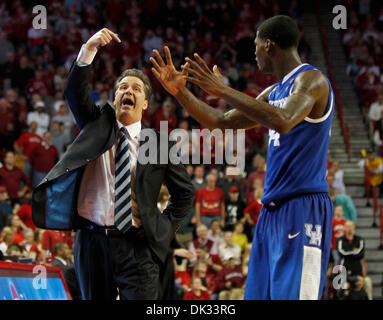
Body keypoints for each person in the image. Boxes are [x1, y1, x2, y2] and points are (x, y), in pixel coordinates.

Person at [151, 15, 334, 299]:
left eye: (257, 45)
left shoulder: (312, 79)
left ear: (269, 46)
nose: (255, 52)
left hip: (302, 207)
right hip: (271, 211)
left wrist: (223, 90)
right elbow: (220, 121)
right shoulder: (274, 91)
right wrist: (181, 92)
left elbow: (284, 120)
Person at [32, 28, 194, 300]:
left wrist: (162, 229)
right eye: (122, 87)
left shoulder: (159, 144)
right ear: (115, 97)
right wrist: (89, 49)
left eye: (136, 89)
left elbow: (185, 194)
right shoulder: (96, 123)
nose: (128, 91)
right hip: (91, 241)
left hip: (136, 245)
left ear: (145, 104)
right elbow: (75, 93)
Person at [336, 220, 373, 300]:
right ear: (344, 228)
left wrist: (348, 252)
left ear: (354, 227)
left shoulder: (360, 240)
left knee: (368, 282)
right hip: (345, 274)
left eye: (351, 226)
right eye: (347, 226)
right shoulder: (340, 240)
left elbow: (361, 254)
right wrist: (354, 251)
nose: (349, 228)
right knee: (343, 285)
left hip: (358, 274)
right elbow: (342, 253)